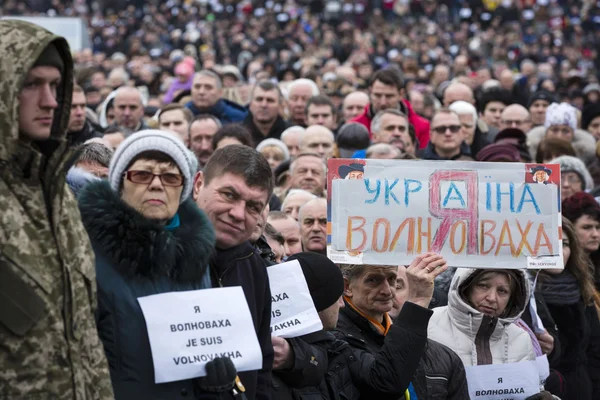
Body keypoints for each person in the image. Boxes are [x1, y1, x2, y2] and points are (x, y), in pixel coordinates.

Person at [77, 130, 245, 398]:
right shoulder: (85, 253)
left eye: (170, 177)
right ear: (120, 183)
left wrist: (220, 389)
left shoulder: (195, 258)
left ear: (184, 188)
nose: (157, 185)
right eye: (142, 175)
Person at [0, 19, 113, 398]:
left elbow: (83, 340)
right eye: (31, 85)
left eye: (54, 85)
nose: (50, 101)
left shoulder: (58, 193)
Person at [192, 145, 275, 399]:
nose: (238, 214)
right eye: (228, 195)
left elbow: (261, 363)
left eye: (253, 207)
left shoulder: (254, 265)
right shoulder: (154, 252)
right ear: (198, 185)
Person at [337, 255, 469, 398]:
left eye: (392, 279)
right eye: (373, 280)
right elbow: (386, 383)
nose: (387, 291)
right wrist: (416, 304)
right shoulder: (335, 341)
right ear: (347, 286)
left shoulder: (443, 356)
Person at [541, 218, 600, 400]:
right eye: (549, 243)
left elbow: (594, 350)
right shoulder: (519, 295)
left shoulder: (582, 291)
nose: (558, 251)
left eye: (565, 244)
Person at [427, 268, 536, 364]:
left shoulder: (521, 339)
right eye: (483, 286)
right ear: (466, 287)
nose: (492, 298)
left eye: (502, 291)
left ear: (511, 298)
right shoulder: (428, 324)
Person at [351, 68, 430, 148]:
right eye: (377, 95)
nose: (383, 102)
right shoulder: (355, 126)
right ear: (370, 92)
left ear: (401, 94)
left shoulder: (422, 127)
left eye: (389, 96)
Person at [562, 192, 600, 287]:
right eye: (586, 227)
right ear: (569, 229)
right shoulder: (561, 267)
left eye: (598, 227)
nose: (595, 234)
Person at [244, 81, 289, 146]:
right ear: (250, 104)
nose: (264, 105)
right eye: (259, 99)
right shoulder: (238, 135)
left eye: (270, 100)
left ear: (279, 105)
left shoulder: (289, 133)